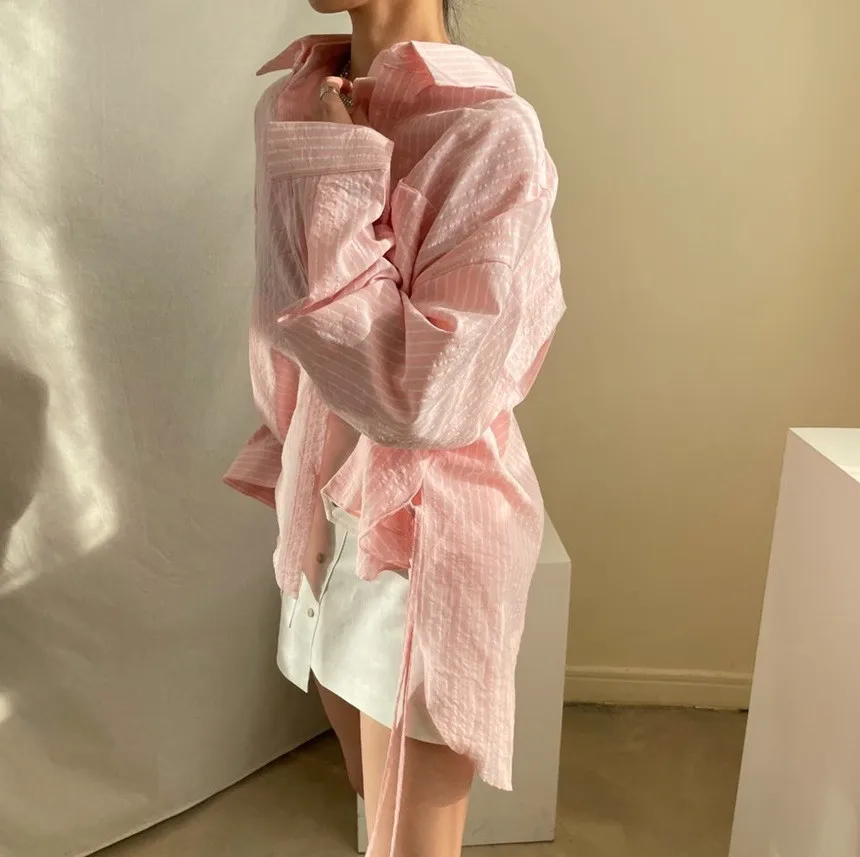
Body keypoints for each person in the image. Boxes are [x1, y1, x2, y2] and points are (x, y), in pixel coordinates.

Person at [224, 1, 565, 854]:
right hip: (322, 515)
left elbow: (423, 401)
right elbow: (279, 329)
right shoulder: (294, 103)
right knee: (365, 790)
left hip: (426, 536)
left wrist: (339, 181)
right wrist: (288, 462)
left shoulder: (488, 135)